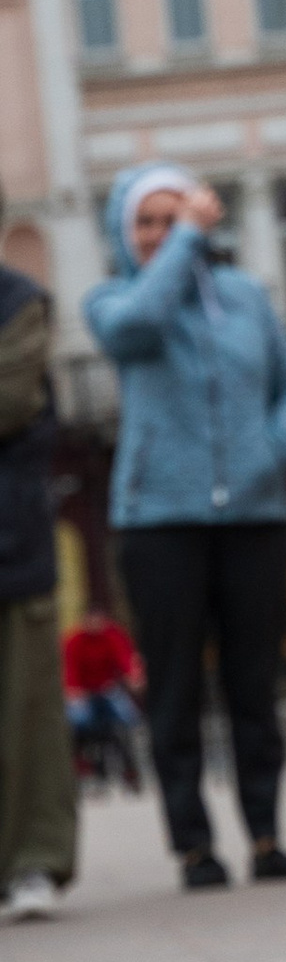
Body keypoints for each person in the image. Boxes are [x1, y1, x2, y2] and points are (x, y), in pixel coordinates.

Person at [85, 167, 286, 888]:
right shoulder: (115, 300)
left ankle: (267, 834)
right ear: (126, 236)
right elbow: (138, 326)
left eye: (171, 217)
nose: (159, 234)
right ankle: (192, 844)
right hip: (158, 522)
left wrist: (272, 451)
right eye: (145, 223)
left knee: (255, 684)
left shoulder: (245, 298)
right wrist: (186, 239)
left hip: (254, 515)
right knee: (177, 687)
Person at [0, 258, 77, 918]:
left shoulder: (18, 302)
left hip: (11, 540)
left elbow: (10, 401)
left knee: (27, 711)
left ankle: (35, 860)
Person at [61, 601, 146, 791]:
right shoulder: (74, 640)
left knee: (127, 719)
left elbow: (125, 658)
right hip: (82, 692)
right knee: (77, 721)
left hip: (108, 689)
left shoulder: (113, 634)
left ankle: (130, 770)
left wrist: (133, 676)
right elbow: (70, 670)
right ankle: (82, 765)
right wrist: (73, 692)